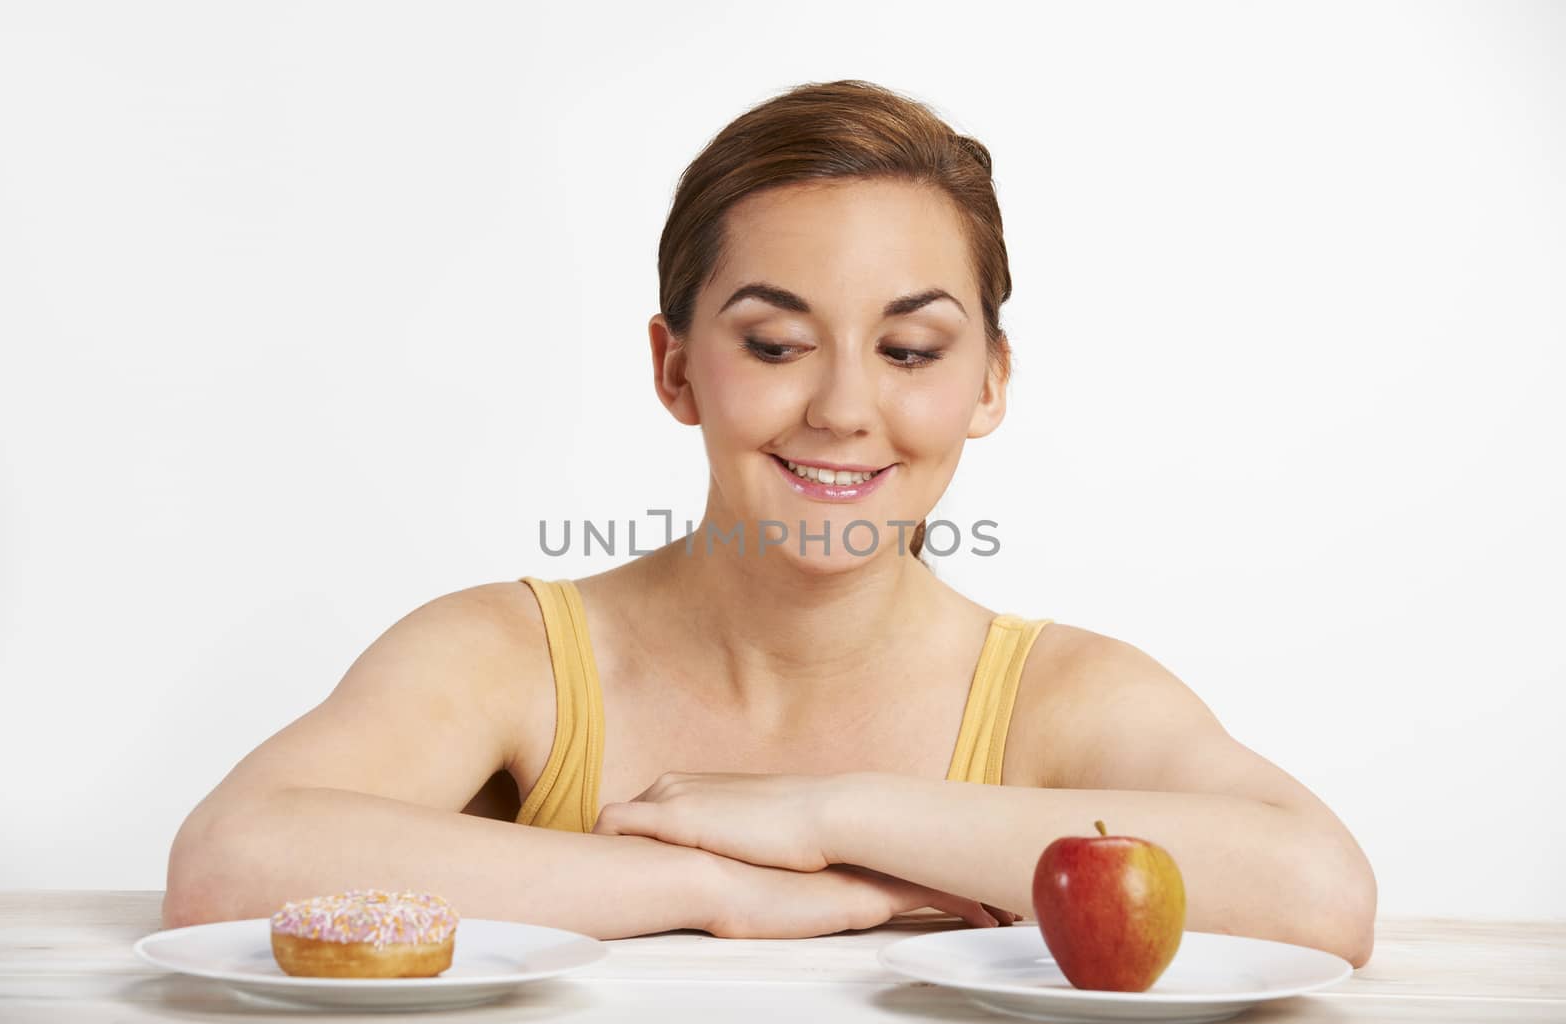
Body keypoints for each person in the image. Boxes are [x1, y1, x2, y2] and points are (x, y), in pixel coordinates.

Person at [162, 79, 1375, 965]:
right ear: (676, 365)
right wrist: (704, 886)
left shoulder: (1062, 694)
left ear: (990, 381)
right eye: (776, 343)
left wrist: (828, 813)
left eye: (909, 348)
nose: (845, 406)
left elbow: (1318, 890)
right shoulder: (511, 654)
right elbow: (230, 860)